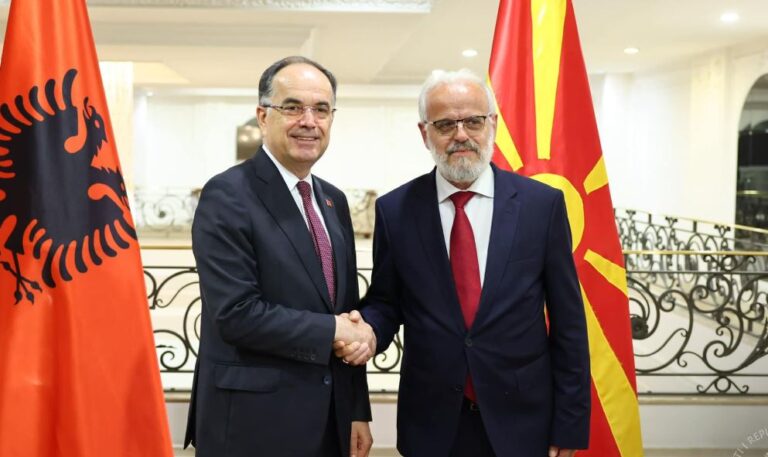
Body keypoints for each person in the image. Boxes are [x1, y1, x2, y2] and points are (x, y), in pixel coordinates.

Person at [337, 69, 590, 457]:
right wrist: (368, 330)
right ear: (425, 133)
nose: (461, 135)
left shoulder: (542, 206)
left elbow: (568, 321)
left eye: (473, 121)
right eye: (445, 124)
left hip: (523, 418)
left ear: (492, 125)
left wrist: (569, 424)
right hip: (433, 420)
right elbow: (388, 301)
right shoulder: (395, 210)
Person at [185, 56, 375, 457]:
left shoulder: (333, 200)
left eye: (321, 109)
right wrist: (334, 330)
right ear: (262, 116)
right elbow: (236, 314)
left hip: (330, 420)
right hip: (254, 424)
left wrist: (357, 409)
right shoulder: (227, 195)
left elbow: (346, 312)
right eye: (292, 107)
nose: (309, 121)